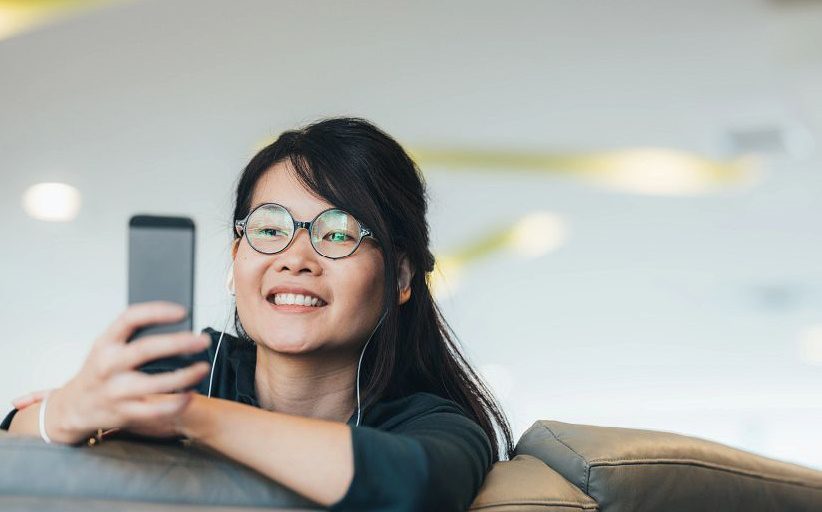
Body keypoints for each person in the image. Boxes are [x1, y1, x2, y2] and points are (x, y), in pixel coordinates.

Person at [2, 117, 514, 510]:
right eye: (270, 229)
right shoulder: (185, 364)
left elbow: (411, 485)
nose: (295, 257)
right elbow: (19, 436)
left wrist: (188, 415)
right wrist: (67, 410)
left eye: (337, 233)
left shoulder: (436, 422)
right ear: (236, 258)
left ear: (400, 278)